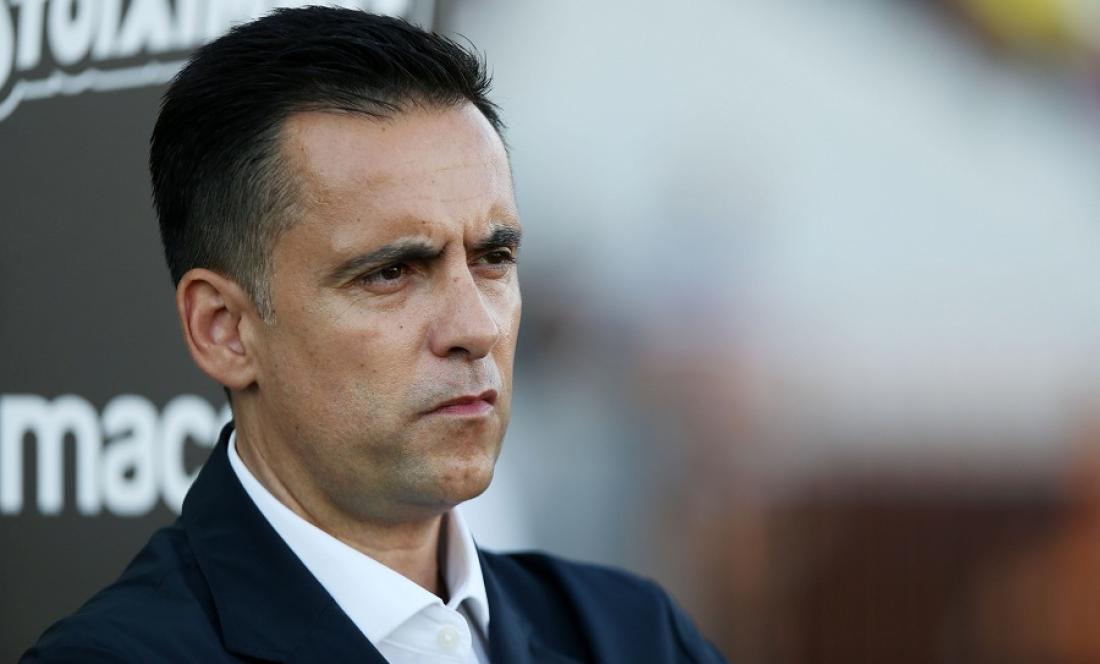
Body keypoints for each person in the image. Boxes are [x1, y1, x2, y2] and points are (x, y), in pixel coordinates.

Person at [22, 7, 725, 663]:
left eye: (493, 258)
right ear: (225, 330)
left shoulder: (638, 634)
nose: (475, 328)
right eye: (392, 272)